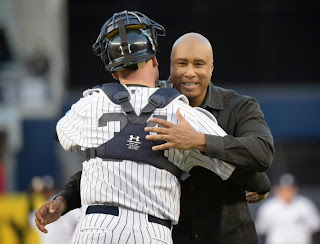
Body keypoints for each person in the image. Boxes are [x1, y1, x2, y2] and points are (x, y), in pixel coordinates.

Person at [35, 26, 273, 244]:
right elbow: (110, 160)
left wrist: (200, 141)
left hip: (225, 236)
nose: (189, 73)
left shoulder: (239, 106)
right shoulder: (153, 103)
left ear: (212, 67)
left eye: (199, 64)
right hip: (169, 234)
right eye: (182, 64)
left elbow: (262, 152)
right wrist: (65, 199)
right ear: (168, 65)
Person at [255, 173, 320, 244]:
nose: (287, 192)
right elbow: (260, 228)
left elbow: (316, 225)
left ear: (295, 189)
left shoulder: (305, 204)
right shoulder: (269, 207)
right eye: (284, 189)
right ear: (277, 190)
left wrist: (301, 224)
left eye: (290, 189)